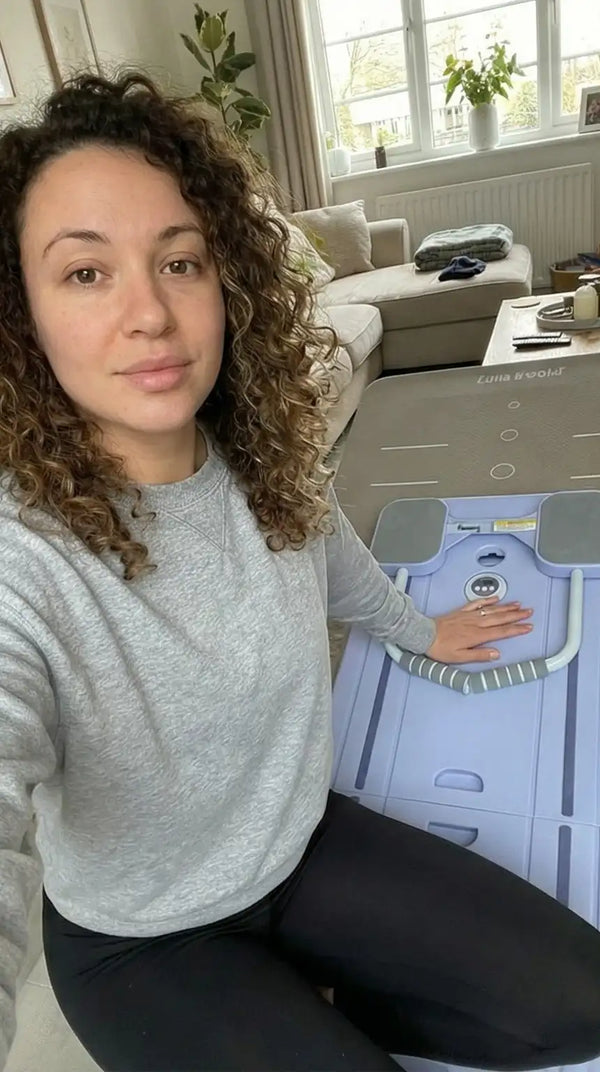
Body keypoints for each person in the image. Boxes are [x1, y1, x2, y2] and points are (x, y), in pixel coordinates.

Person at [0, 71, 598, 1072]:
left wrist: (421, 629)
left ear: (224, 282)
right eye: (86, 272)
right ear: (21, 313)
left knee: (583, 1004)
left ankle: (311, 1000)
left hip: (300, 846)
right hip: (145, 942)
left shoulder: (259, 455)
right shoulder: (19, 558)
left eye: (179, 261)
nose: (150, 312)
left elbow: (331, 559)